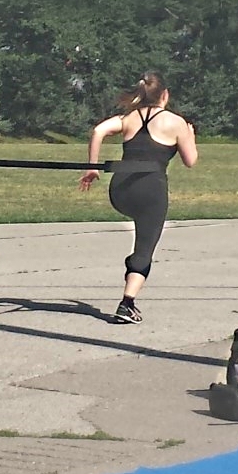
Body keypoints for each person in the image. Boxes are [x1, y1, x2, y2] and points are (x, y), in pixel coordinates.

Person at [79, 70, 198, 324]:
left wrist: (92, 167)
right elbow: (191, 161)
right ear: (164, 95)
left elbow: (99, 131)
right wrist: (191, 137)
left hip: (120, 190)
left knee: (139, 238)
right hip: (150, 189)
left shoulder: (129, 117)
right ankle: (127, 302)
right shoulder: (175, 122)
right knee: (145, 247)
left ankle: (134, 263)